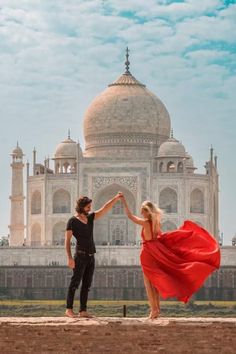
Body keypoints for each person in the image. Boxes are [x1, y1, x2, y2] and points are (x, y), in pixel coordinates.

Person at [120, 196, 221, 319]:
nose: (141, 213)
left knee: (148, 284)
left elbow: (130, 216)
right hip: (155, 252)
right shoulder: (156, 223)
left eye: (143, 210)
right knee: (154, 283)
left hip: (147, 253)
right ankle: (156, 310)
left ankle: (153, 310)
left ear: (147, 211)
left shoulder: (146, 223)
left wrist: (124, 201)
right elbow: (159, 237)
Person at [65, 193, 123, 318]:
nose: (90, 209)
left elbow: (105, 208)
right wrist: (69, 258)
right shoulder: (72, 221)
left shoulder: (90, 218)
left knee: (86, 284)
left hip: (91, 256)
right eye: (87, 207)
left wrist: (116, 198)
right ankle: (69, 309)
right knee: (75, 283)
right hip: (80, 256)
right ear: (81, 207)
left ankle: (82, 310)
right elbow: (67, 241)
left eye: (90, 207)